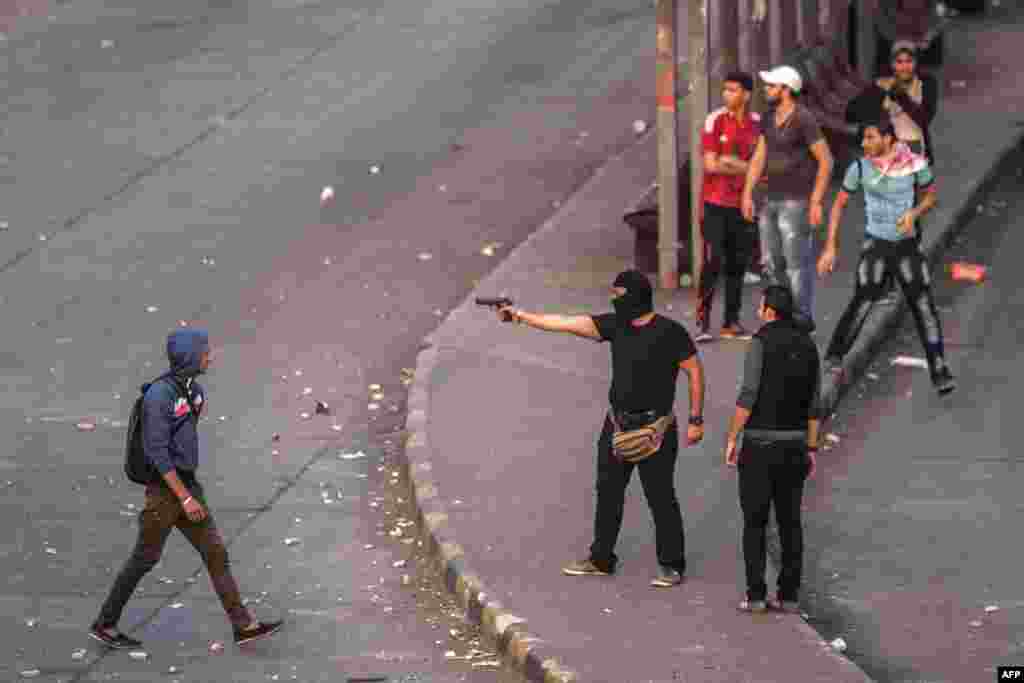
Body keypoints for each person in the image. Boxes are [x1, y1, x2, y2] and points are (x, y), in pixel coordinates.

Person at [495, 270, 705, 587]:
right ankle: (601, 559)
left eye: (619, 293)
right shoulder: (614, 325)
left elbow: (695, 371)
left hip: (657, 431)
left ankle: (672, 565)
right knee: (608, 493)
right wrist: (521, 317)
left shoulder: (670, 332)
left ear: (635, 296)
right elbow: (566, 323)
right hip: (616, 425)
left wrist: (696, 419)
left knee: (660, 498)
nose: (613, 299)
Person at [91, 329, 283, 649]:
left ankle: (243, 625)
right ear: (189, 355)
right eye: (205, 352)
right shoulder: (158, 396)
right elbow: (157, 452)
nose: (211, 356)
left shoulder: (193, 390)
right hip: (166, 493)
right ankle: (105, 623)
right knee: (145, 558)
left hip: (186, 486)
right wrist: (185, 496)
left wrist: (189, 491)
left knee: (215, 553)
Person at [817, 121, 955, 395]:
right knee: (864, 299)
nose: (864, 144)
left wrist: (914, 214)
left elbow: (930, 197)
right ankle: (835, 355)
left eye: (870, 137)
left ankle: (939, 370)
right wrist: (830, 246)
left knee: (923, 306)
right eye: (863, 138)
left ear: (888, 138)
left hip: (906, 247)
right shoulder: (859, 168)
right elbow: (839, 205)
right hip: (876, 245)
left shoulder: (915, 164)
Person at [724, 285, 821, 613]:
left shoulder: (760, 342)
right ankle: (789, 596)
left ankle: (755, 596)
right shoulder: (809, 346)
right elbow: (814, 405)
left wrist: (732, 437)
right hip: (794, 445)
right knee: (790, 522)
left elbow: (748, 394)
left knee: (755, 522)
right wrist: (811, 448)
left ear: (768, 310)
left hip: (759, 444)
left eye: (760, 305)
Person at [742, 65, 834, 333]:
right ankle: (779, 312)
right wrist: (748, 193)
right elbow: (760, 156)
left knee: (796, 262)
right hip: (769, 199)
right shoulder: (769, 119)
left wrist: (816, 201)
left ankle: (801, 316)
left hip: (796, 201)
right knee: (771, 262)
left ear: (786, 90)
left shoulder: (804, 119)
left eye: (772, 86)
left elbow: (825, 160)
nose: (767, 90)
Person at [695, 70, 762, 343]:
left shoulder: (757, 124)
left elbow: (763, 164)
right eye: (725, 90)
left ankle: (730, 322)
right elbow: (711, 163)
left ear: (746, 95)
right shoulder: (715, 121)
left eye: (733, 90)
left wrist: (730, 162)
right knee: (713, 261)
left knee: (737, 263)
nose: (727, 95)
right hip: (714, 203)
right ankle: (702, 322)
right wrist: (748, 167)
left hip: (742, 204)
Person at [846, 41, 938, 164]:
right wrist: (878, 102)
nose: (904, 67)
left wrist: (900, 96)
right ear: (892, 64)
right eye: (899, 62)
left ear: (916, 63)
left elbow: (925, 118)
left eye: (909, 61)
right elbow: (851, 113)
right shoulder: (882, 84)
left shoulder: (927, 84)